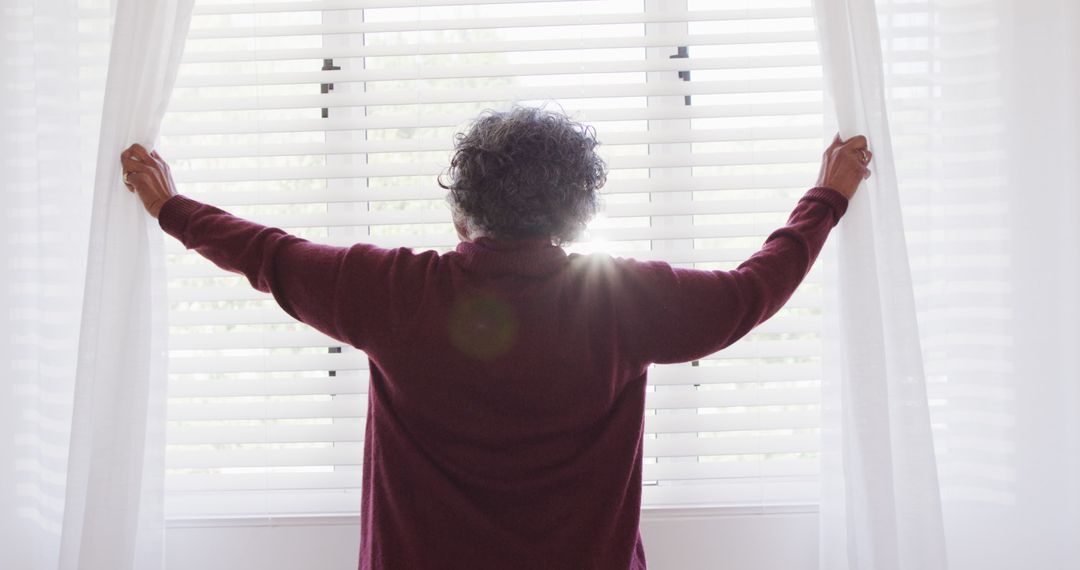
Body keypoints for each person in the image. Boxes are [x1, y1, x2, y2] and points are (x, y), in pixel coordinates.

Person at [120, 106, 871, 570]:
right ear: (576, 218)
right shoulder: (622, 301)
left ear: (460, 212)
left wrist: (170, 207)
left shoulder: (392, 293)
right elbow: (750, 292)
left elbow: (267, 253)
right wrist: (826, 198)